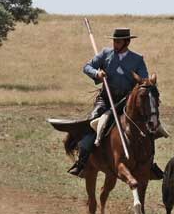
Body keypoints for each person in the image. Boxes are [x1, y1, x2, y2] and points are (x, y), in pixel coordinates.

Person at [67, 27, 166, 177]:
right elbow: (86, 67)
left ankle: (149, 164)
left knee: (148, 127)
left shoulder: (137, 59)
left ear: (126, 42)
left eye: (118, 41)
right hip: (106, 100)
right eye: (114, 41)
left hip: (127, 102)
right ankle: (82, 162)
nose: (115, 43)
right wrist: (97, 73)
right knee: (92, 123)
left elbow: (144, 81)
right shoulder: (106, 54)